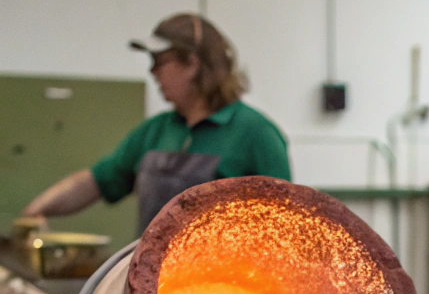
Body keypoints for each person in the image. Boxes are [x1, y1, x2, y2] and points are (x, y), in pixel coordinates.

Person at [21, 13, 290, 236]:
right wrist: (35, 210)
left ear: (192, 64)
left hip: (222, 291)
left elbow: (283, 226)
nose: (152, 72)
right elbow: (98, 180)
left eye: (160, 62)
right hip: (151, 284)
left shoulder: (256, 134)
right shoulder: (156, 131)